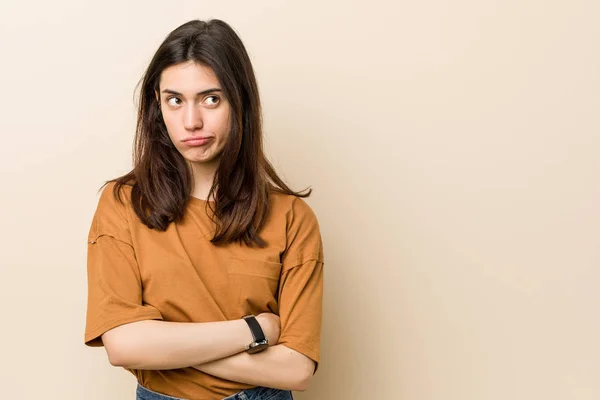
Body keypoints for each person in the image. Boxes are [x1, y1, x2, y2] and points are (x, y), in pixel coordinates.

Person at [84, 19, 325, 400]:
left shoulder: (291, 217)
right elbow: (123, 346)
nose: (191, 121)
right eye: (175, 100)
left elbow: (295, 369)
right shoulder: (122, 204)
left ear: (239, 101)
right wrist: (255, 331)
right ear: (157, 106)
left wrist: (162, 348)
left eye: (211, 98)